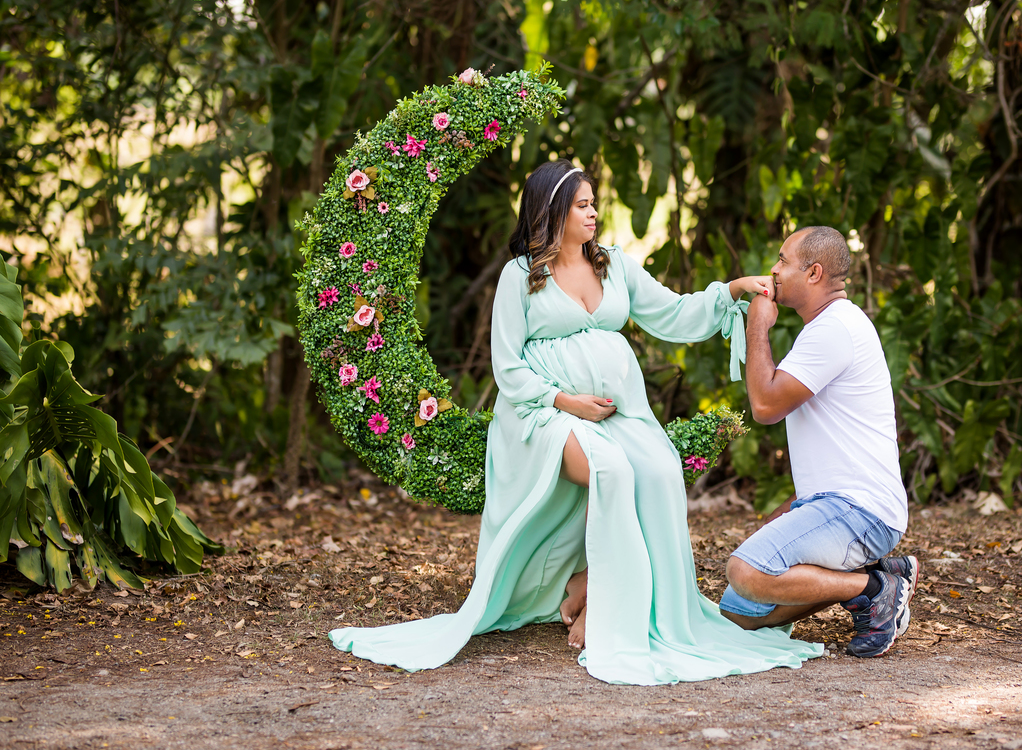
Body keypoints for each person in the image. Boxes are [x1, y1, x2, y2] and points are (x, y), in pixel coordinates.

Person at [330, 160, 824, 685]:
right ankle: (607, 609)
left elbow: (675, 314)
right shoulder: (519, 276)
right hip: (539, 414)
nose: (594, 213)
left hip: (616, 414)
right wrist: (565, 400)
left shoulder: (614, 264)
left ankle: (607, 589)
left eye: (593, 203)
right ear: (555, 210)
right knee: (610, 471)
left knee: (659, 467)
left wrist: (728, 291)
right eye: (583, 205)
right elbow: (507, 366)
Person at [718, 226, 918, 658]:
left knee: (746, 570)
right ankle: (879, 574)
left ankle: (874, 588)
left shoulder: (834, 329)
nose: (773, 270)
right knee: (739, 612)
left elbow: (765, 405)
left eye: (783, 261)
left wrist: (758, 327)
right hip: (828, 504)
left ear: (813, 273)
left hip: (857, 508)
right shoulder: (825, 327)